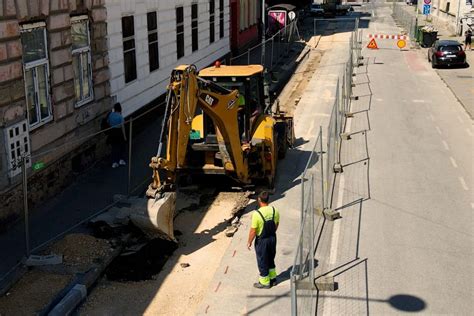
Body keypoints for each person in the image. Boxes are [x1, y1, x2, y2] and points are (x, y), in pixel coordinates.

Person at [247, 191, 280, 289]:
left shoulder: (257, 214)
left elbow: (253, 230)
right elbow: (276, 224)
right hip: (272, 238)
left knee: (262, 260)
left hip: (262, 241)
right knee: (270, 258)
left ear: (259, 200)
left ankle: (265, 282)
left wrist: (249, 241)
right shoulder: (275, 210)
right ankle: (273, 278)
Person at [107, 103, 127, 168]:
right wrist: (124, 136)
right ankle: (121, 159)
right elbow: (123, 127)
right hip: (118, 132)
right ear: (120, 109)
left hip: (112, 132)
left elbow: (108, 122)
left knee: (114, 147)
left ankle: (114, 162)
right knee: (121, 146)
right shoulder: (120, 117)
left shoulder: (111, 115)